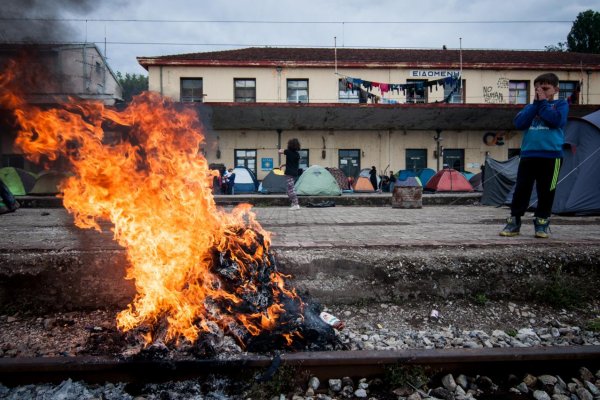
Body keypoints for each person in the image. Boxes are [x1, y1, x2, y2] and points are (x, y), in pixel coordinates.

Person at [500, 73, 568, 239]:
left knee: (546, 191)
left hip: (552, 156)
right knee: (522, 189)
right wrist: (535, 105)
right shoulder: (530, 108)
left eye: (545, 88)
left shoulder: (561, 104)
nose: (541, 92)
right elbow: (519, 123)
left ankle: (542, 223)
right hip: (529, 154)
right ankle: (514, 221)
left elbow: (556, 121)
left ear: (555, 89)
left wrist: (543, 103)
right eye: (538, 89)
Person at [278, 138, 301, 210]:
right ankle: (293, 203)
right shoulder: (297, 154)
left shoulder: (288, 152)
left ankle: (296, 204)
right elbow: (292, 163)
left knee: (290, 189)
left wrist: (281, 149)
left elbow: (279, 151)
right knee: (288, 190)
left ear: (290, 145)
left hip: (289, 173)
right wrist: (283, 165)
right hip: (294, 173)